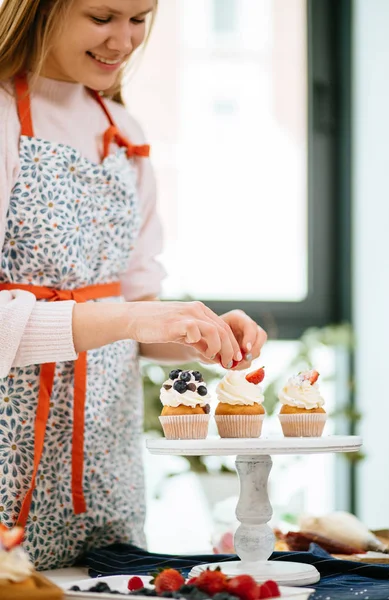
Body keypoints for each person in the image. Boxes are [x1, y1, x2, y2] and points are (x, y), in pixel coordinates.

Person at [0, 0, 268, 570]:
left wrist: (202, 331)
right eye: (102, 17)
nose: (124, 41)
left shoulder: (126, 135)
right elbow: (127, 317)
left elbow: (138, 310)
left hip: (105, 469)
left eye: (140, 18)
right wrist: (133, 318)